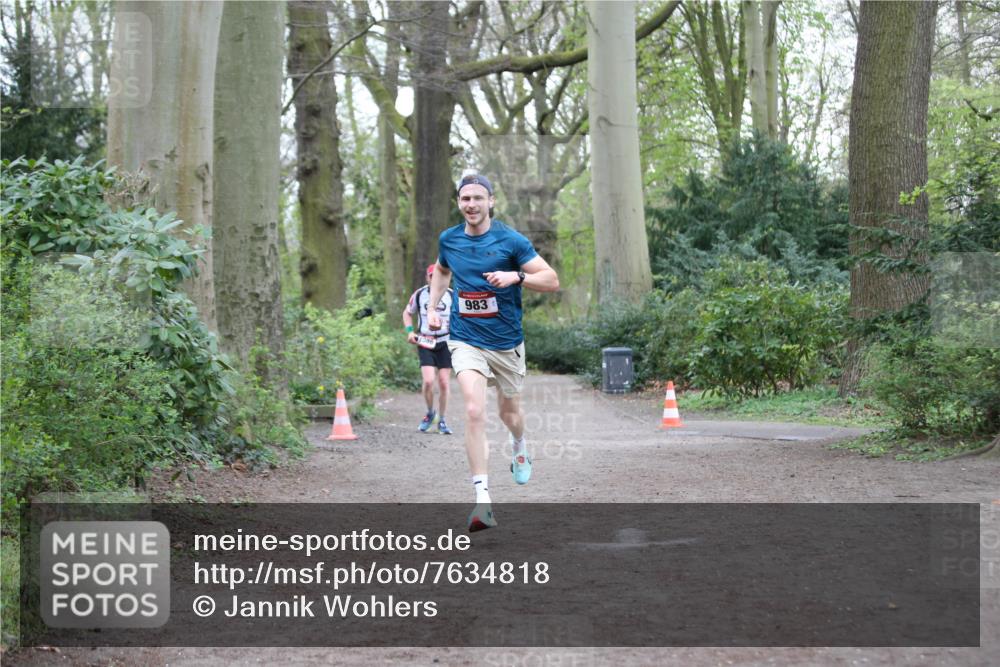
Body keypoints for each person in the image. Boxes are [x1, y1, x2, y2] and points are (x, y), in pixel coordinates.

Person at [426, 173, 559, 532]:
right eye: (465, 198)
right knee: (472, 409)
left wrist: (517, 277)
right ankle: (482, 501)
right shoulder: (449, 239)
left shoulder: (511, 241)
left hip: (506, 344)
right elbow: (441, 271)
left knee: (509, 413)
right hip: (465, 339)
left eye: (478, 198)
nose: (471, 204)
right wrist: (435, 306)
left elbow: (551, 279)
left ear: (491, 201)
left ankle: (519, 444)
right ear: (458, 202)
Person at [402, 264, 454, 435]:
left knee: (445, 383)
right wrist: (410, 332)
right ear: (427, 277)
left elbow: (462, 318)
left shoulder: (452, 295)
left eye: (439, 276)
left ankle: (443, 420)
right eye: (432, 276)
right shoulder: (419, 294)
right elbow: (407, 313)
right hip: (425, 341)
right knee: (429, 381)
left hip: (446, 342)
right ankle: (430, 412)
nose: (435, 279)